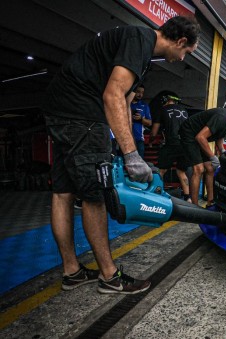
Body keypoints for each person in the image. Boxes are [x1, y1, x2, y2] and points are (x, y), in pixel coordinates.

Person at [42, 16, 200, 295]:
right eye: (186, 52)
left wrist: (127, 143)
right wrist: (130, 154)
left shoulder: (135, 43)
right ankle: (110, 277)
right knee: (94, 196)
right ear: (181, 41)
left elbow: (124, 101)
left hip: (61, 113)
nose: (182, 58)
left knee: (63, 193)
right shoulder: (141, 40)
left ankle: (72, 272)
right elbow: (113, 94)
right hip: (83, 116)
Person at [179, 105, 226, 207]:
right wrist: (212, 156)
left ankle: (210, 201)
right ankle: (194, 206)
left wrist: (222, 152)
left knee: (210, 168)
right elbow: (200, 137)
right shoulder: (222, 118)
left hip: (199, 137)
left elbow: (220, 135)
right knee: (199, 169)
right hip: (189, 133)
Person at [150, 92, 191, 200]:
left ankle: (157, 195)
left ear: (165, 100)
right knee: (181, 171)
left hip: (172, 143)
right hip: (185, 144)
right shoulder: (184, 111)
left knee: (161, 170)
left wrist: (151, 140)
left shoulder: (162, 110)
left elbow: (154, 132)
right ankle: (188, 197)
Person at [130, 85, 152, 158]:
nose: (140, 94)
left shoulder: (144, 106)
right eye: (138, 92)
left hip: (139, 139)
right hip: (126, 139)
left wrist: (141, 119)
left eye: (142, 93)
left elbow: (149, 123)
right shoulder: (125, 103)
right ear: (133, 91)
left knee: (140, 164)